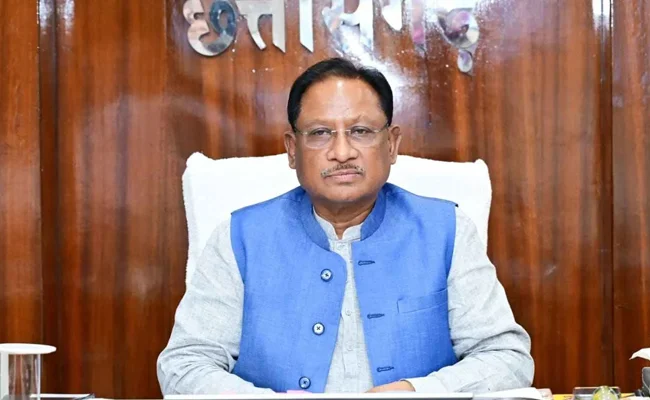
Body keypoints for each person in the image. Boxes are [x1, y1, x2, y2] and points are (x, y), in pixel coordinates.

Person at [157, 57, 534, 394]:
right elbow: (185, 365)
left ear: (392, 144)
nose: (342, 152)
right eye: (320, 133)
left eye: (361, 131)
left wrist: (418, 392)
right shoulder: (239, 238)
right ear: (292, 149)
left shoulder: (446, 231)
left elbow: (507, 357)